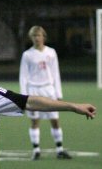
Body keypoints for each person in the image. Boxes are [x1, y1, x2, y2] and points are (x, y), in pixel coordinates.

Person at [19, 25, 71, 160]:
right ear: (31, 38)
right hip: (34, 90)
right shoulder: (27, 55)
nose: (37, 38)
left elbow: (55, 73)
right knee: (35, 121)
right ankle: (36, 150)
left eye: (39, 35)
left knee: (55, 120)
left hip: (49, 90)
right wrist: (24, 96)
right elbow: (23, 76)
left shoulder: (51, 52)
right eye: (34, 36)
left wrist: (58, 93)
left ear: (44, 37)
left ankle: (59, 149)